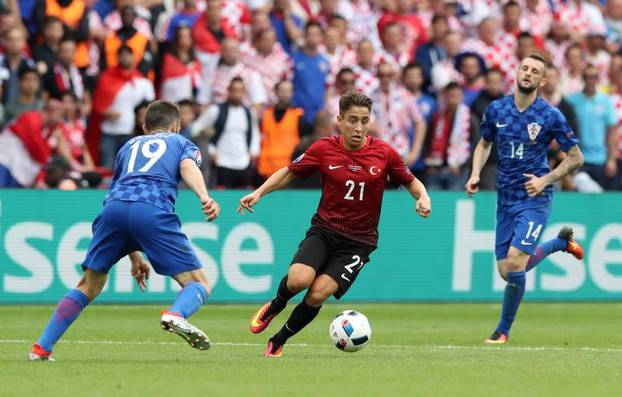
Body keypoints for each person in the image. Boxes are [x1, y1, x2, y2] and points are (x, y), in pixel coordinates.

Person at [238, 91, 432, 357]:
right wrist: (259, 192)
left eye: (364, 120)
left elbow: (411, 181)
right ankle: (276, 303)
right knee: (298, 280)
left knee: (317, 294)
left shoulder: (384, 154)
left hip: (359, 242)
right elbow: (289, 173)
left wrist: (423, 197)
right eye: (352, 120)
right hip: (324, 230)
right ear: (339, 120)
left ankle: (279, 339)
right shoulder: (324, 148)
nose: (359, 127)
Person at [29, 100, 221, 361]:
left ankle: (41, 348)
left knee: (88, 284)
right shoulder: (180, 142)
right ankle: (176, 314)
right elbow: (188, 166)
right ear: (175, 126)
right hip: (152, 208)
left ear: (144, 127)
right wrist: (204, 196)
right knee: (198, 283)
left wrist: (134, 255)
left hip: (113, 209)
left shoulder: (128, 147)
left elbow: (120, 190)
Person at [465, 53, 585, 344]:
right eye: (524, 68)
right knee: (507, 271)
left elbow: (576, 157)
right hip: (505, 198)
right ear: (517, 73)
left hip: (535, 197)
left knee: (517, 263)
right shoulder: (497, 110)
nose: (528, 73)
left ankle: (502, 331)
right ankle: (560, 242)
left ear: (542, 81)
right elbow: (484, 144)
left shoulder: (549, 115)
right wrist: (474, 174)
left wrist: (545, 180)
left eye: (535, 71)